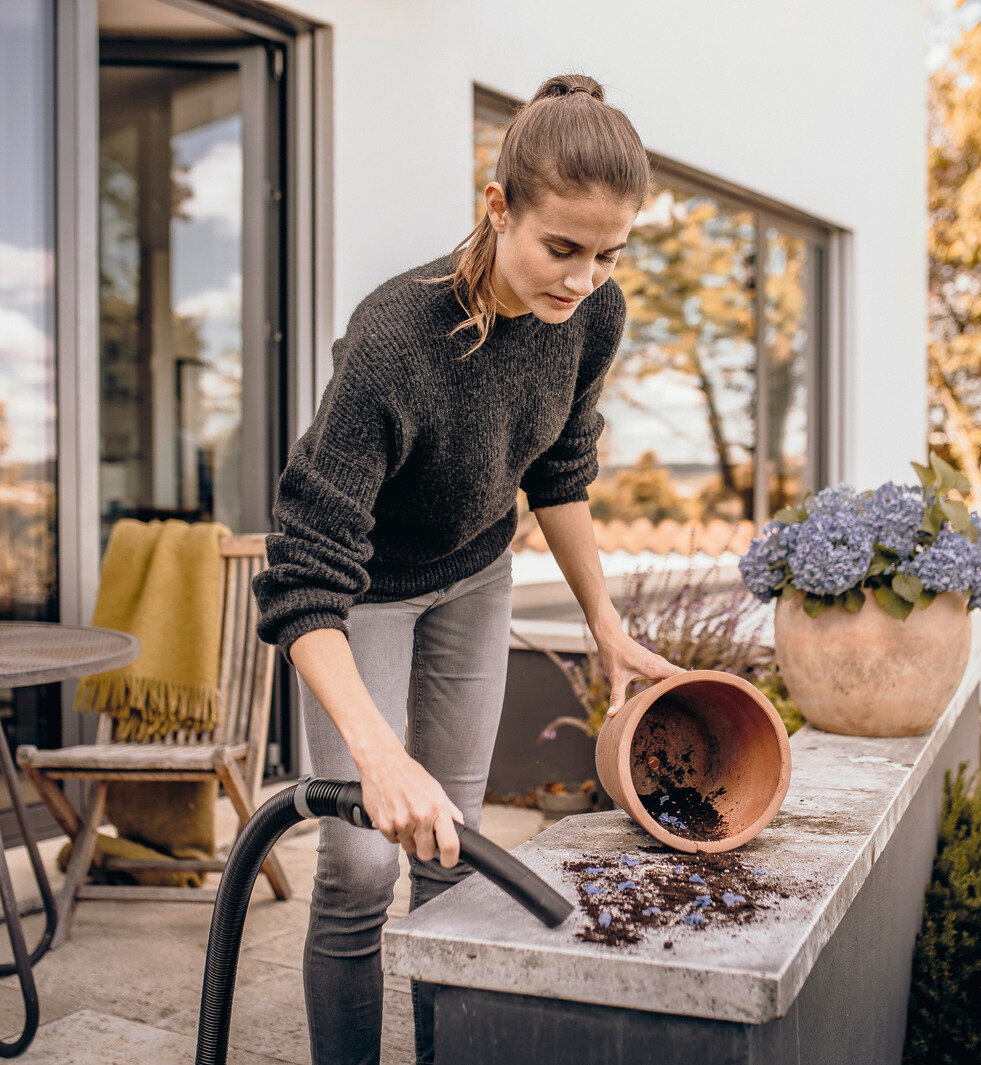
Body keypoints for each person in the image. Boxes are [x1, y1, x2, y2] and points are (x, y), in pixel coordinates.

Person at [252, 72, 685, 1065]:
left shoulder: (592, 313)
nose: (582, 279)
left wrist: (607, 625)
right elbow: (302, 578)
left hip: (477, 576)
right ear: (496, 207)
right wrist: (375, 751)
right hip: (361, 597)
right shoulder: (391, 342)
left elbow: (560, 473)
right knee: (362, 862)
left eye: (609, 254)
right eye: (562, 248)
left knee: (455, 851)